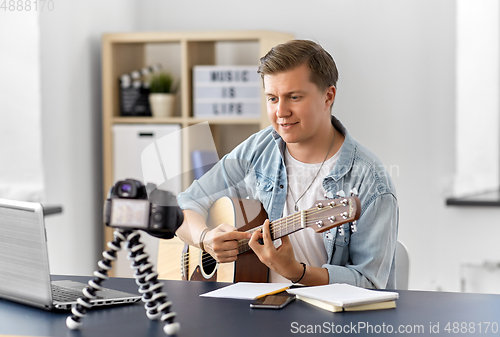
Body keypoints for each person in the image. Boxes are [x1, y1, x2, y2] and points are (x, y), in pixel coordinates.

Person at [175, 40, 398, 289]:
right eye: (272, 98)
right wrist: (205, 239)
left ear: (328, 96)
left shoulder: (369, 181)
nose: (281, 112)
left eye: (293, 97)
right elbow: (186, 204)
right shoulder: (259, 148)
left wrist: (297, 272)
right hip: (251, 311)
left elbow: (370, 282)